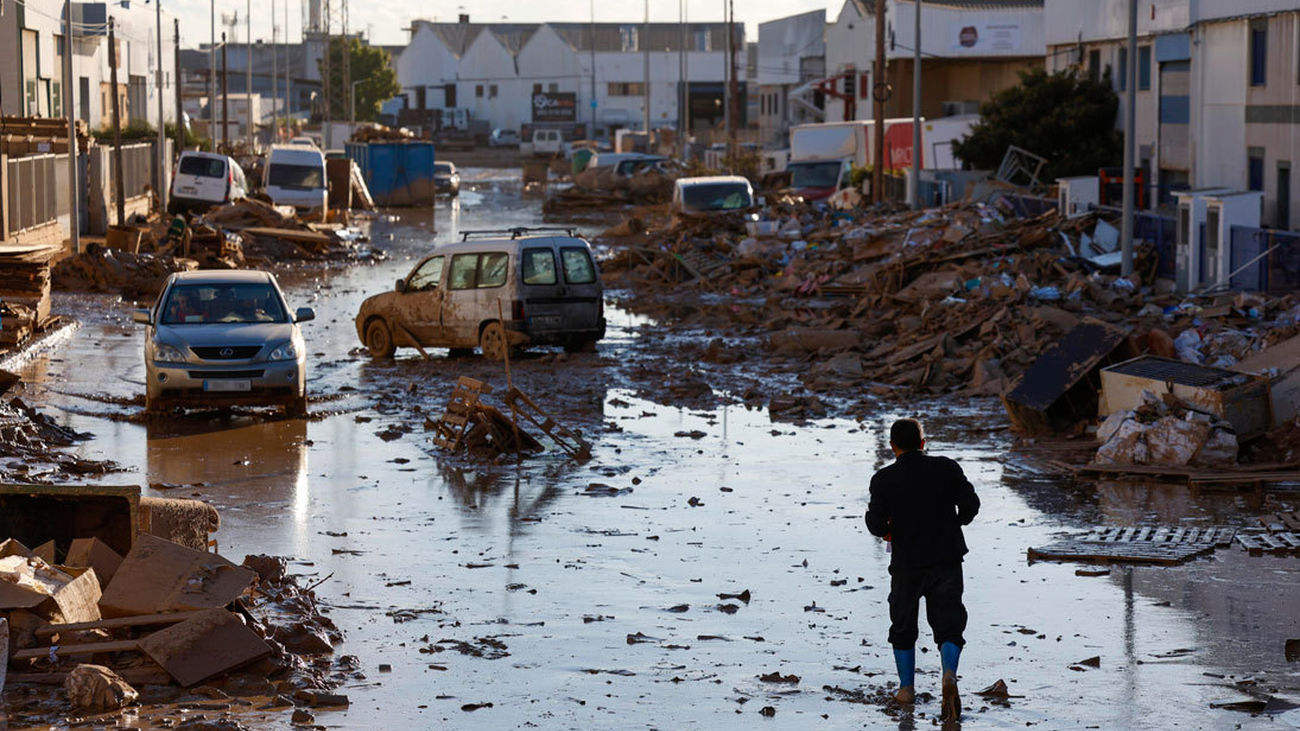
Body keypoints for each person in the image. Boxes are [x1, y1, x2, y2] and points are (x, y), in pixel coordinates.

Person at [864, 418, 979, 723]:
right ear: (923, 444)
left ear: (893, 447)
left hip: (907, 563)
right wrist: (956, 522)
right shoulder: (946, 468)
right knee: (950, 624)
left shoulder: (884, 479)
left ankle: (906, 689)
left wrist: (888, 529)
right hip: (947, 558)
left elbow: (875, 524)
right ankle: (949, 675)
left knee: (903, 625)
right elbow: (971, 504)